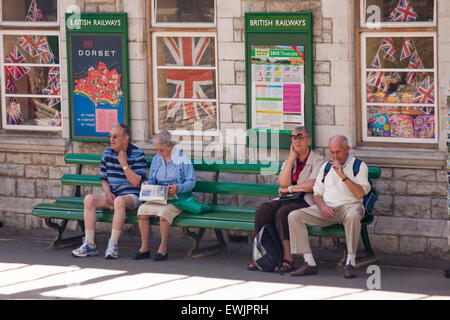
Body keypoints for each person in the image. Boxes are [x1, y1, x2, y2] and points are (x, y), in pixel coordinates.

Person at [288, 135, 371, 278]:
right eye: (332, 152)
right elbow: (317, 194)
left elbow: (359, 194)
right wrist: (322, 207)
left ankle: (350, 262)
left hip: (349, 207)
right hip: (328, 209)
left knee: (352, 215)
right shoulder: (326, 166)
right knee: (294, 216)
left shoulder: (359, 166)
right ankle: (309, 262)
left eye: (338, 152)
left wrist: (343, 175)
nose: (334, 156)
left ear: (347, 149)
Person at [248, 126, 325, 272]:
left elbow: (311, 186)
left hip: (305, 200)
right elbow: (282, 183)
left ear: (309, 141)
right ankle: (260, 255)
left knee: (283, 213)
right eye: (294, 137)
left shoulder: (318, 161)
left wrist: (289, 189)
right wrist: (290, 158)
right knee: (263, 210)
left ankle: (287, 258)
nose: (297, 140)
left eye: (300, 136)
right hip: (286, 199)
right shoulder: (290, 160)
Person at [72, 123, 147, 259]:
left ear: (125, 139)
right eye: (110, 136)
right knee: (89, 199)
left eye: (115, 136)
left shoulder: (138, 154)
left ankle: (112, 245)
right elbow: (104, 179)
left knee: (119, 201)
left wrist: (124, 164)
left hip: (132, 196)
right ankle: (90, 245)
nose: (111, 139)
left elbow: (136, 182)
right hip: (112, 195)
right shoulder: (107, 153)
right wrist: (107, 193)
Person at [134, 130, 196, 261]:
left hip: (178, 198)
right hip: (159, 196)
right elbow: (152, 179)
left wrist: (179, 187)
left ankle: (163, 248)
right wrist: (148, 183)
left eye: (161, 150)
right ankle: (144, 247)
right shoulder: (157, 159)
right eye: (157, 149)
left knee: (164, 213)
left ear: (171, 147)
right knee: (142, 210)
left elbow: (191, 182)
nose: (158, 153)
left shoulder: (182, 160)